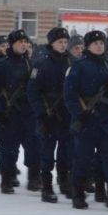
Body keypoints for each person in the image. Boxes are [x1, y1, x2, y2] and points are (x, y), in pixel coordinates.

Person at [65, 30, 108, 210]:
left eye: (101, 43)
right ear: (88, 46)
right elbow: (70, 94)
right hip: (86, 120)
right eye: (95, 43)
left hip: (107, 121)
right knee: (83, 160)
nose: (99, 46)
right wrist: (78, 113)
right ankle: (78, 194)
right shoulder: (78, 66)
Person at [26, 27, 75, 202]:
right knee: (47, 153)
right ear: (51, 43)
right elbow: (32, 92)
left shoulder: (73, 62)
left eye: (65, 42)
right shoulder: (41, 63)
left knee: (66, 152)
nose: (63, 45)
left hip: (67, 114)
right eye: (59, 42)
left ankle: (64, 182)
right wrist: (41, 113)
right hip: (48, 114)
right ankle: (46, 187)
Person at [0, 29, 33, 194]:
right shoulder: (3, 65)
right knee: (9, 149)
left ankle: (34, 178)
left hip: (28, 114)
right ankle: (7, 180)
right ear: (12, 45)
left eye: (26, 42)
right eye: (20, 42)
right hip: (9, 113)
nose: (23, 45)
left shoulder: (31, 64)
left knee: (34, 148)